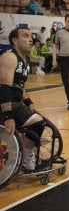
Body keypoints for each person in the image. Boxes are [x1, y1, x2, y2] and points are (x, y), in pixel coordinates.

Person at [0, 27, 47, 171]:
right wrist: (8, 116)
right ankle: (26, 159)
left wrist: (29, 103)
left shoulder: (24, 59)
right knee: (38, 123)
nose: (31, 39)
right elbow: (4, 88)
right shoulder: (9, 57)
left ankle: (25, 155)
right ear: (15, 40)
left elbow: (20, 87)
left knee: (38, 120)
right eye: (25, 36)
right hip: (6, 103)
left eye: (30, 36)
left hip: (16, 102)